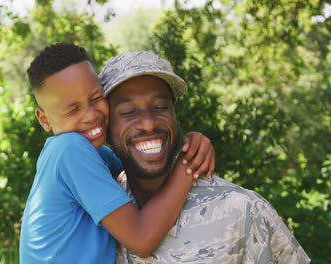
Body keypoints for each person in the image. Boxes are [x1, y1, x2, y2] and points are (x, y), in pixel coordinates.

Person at [99, 51, 311, 263]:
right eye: (127, 112)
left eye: (160, 107)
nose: (148, 123)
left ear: (174, 116)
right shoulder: (94, 212)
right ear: (106, 129)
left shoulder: (242, 210)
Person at [19, 43, 215, 263]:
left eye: (95, 98)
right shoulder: (69, 150)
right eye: (73, 109)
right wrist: (187, 165)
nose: (91, 115)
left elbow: (142, 169)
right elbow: (142, 239)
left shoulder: (91, 154)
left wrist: (194, 144)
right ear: (44, 119)